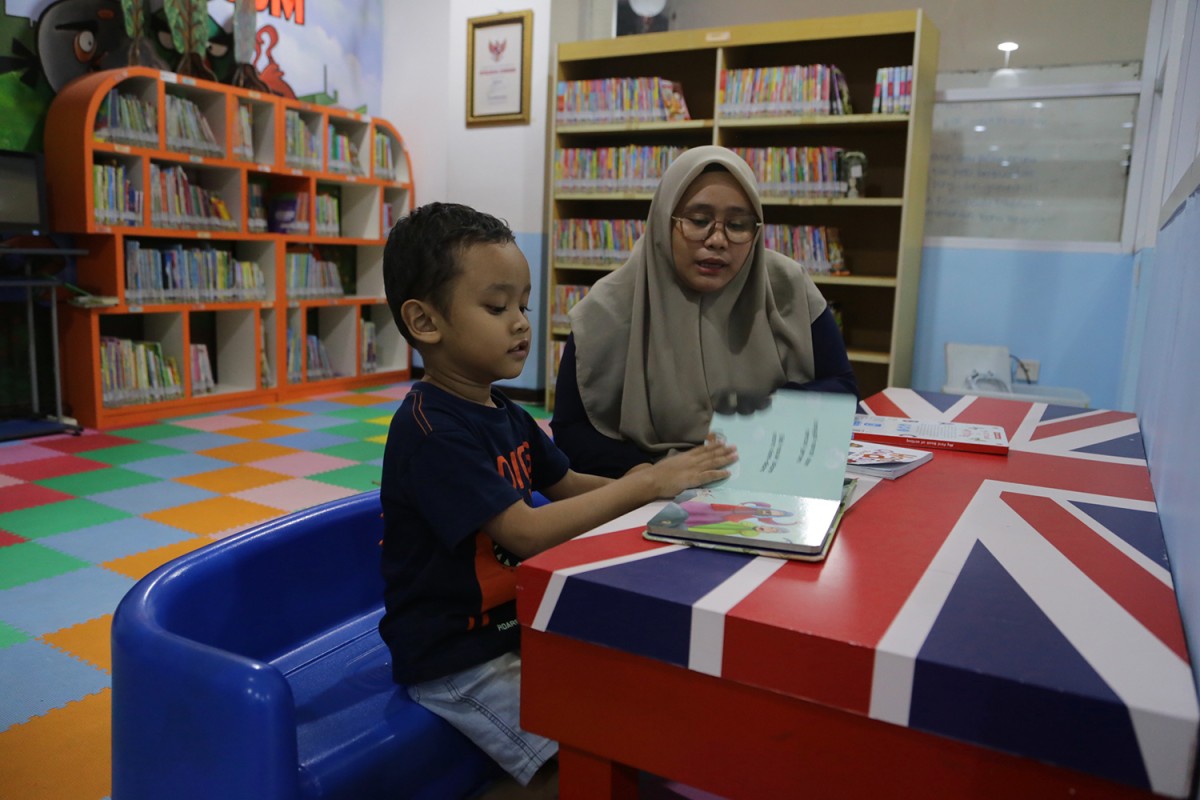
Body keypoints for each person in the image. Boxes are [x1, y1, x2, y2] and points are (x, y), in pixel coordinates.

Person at [377, 202, 737, 794]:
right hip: (456, 657)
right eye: (497, 307)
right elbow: (524, 530)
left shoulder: (505, 413)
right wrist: (642, 485)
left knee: (636, 704)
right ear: (425, 322)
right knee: (571, 766)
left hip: (516, 626)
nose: (521, 322)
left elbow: (567, 486)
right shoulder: (431, 432)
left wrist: (671, 490)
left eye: (522, 304)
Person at [552, 145, 859, 478]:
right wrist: (653, 474)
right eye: (698, 221)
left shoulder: (788, 286)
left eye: (738, 225)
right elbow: (571, 430)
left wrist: (766, 413)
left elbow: (843, 388)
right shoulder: (608, 308)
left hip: (767, 473)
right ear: (663, 221)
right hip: (644, 489)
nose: (717, 240)